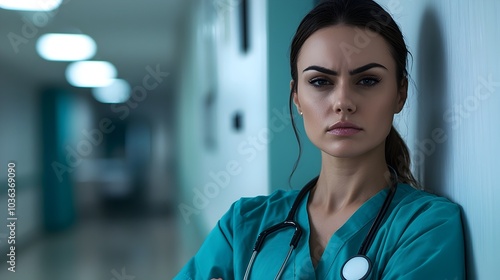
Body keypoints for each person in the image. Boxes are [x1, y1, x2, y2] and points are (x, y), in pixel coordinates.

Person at [174, 0, 466, 279]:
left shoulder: (426, 227)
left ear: (400, 93)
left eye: (367, 80)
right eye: (320, 82)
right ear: (297, 97)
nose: (343, 102)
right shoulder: (243, 225)